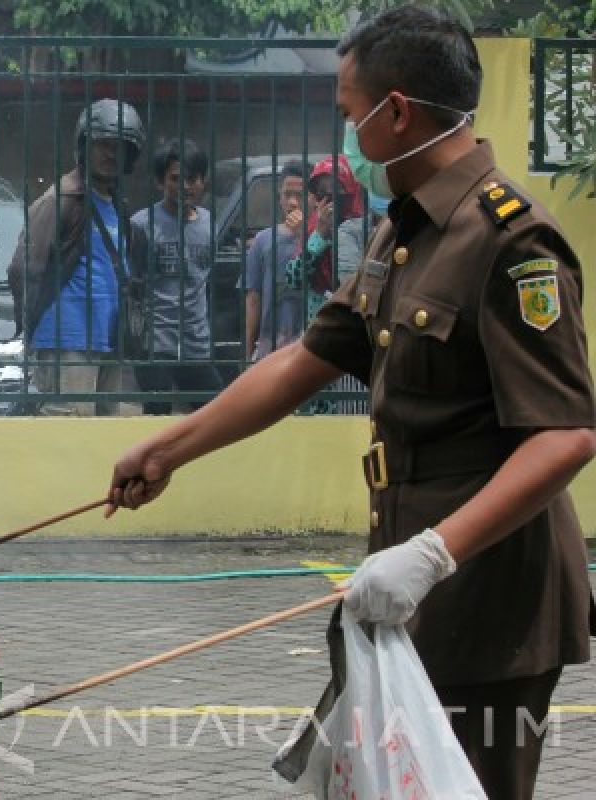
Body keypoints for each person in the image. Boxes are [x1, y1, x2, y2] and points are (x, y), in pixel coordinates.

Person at [107, 8, 596, 799]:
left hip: (486, 595)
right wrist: (171, 449)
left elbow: (566, 435)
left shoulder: (510, 241)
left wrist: (433, 554)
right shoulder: (402, 230)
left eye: (347, 114)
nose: (346, 137)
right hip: (409, 581)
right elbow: (307, 359)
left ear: (395, 111)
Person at [8, 98, 144, 416]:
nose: (111, 154)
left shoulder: (118, 205)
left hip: (108, 339)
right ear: (84, 145)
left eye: (119, 146)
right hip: (66, 339)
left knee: (102, 439)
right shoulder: (62, 199)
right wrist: (32, 321)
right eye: (103, 144)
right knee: (69, 434)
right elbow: (22, 268)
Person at [128, 138, 223, 414]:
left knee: (212, 417)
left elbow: (206, 278)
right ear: (161, 182)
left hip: (196, 343)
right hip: (155, 343)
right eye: (176, 178)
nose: (185, 186)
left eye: (192, 179)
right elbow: (131, 280)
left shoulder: (208, 224)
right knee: (157, 418)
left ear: (203, 181)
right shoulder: (142, 224)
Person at [282, 154, 365, 322]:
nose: (328, 201)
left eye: (336, 192)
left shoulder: (363, 227)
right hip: (318, 325)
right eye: (321, 193)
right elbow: (293, 279)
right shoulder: (313, 225)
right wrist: (319, 235)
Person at [239, 161, 307, 361]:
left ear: (312, 198)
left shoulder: (322, 237)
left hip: (310, 346)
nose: (293, 202)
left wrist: (305, 233)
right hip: (272, 346)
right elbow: (253, 300)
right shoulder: (263, 241)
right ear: (279, 197)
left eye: (300, 195)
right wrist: (248, 351)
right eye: (287, 194)